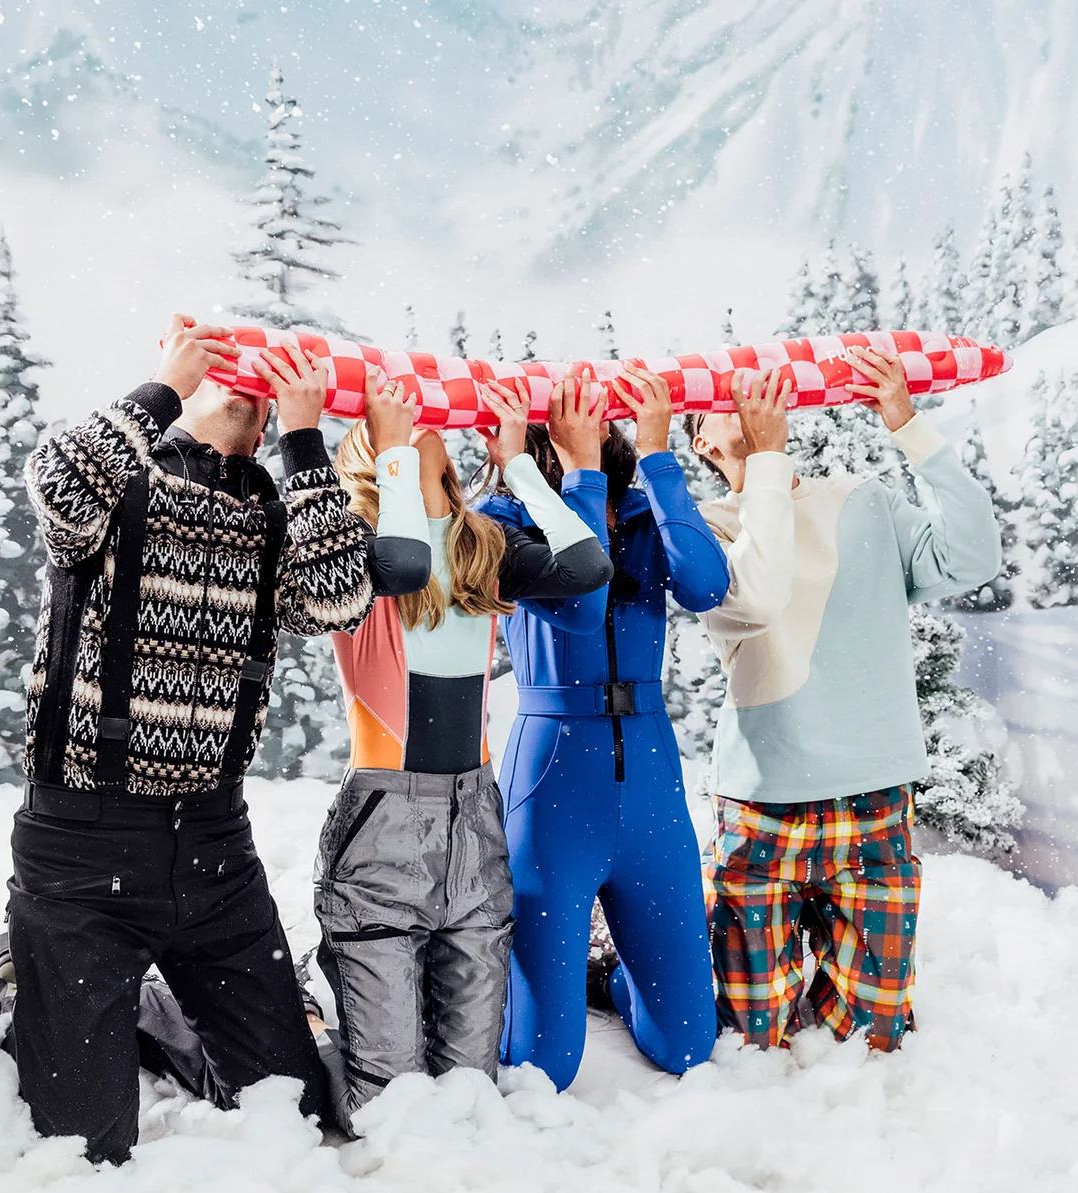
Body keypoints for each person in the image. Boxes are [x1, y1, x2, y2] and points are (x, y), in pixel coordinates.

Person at [0, 314, 376, 1164]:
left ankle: (143, 1006)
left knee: (297, 1110)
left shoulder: (277, 510)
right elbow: (57, 482)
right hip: (83, 850)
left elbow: (334, 600)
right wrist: (162, 385)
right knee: (81, 1150)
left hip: (215, 849)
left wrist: (308, 442)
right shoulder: (116, 486)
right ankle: (36, 980)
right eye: (229, 369)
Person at [312, 373, 613, 1128]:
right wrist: (389, 453)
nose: (417, 435)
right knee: (382, 1109)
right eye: (396, 444)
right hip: (382, 823)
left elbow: (588, 569)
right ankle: (301, 1026)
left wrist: (516, 466)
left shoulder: (481, 548)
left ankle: (346, 1018)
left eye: (426, 445)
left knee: (468, 1092)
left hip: (473, 824)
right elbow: (404, 561)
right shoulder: (364, 556)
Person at [688, 348, 1003, 1050]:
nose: (753, 397)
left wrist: (906, 422)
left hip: (874, 799)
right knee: (750, 1036)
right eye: (727, 398)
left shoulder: (865, 500)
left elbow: (974, 557)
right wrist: (765, 463)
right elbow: (754, 599)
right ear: (704, 443)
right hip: (762, 804)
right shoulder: (705, 527)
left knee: (871, 1038)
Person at [476, 366, 731, 1091]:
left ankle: (609, 976)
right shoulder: (502, 520)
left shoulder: (653, 511)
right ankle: (493, 994)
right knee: (541, 1067)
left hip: (650, 779)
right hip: (553, 783)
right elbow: (583, 596)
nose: (589, 424)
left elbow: (707, 584)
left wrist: (658, 459)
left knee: (687, 1046)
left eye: (597, 415)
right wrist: (578, 475)